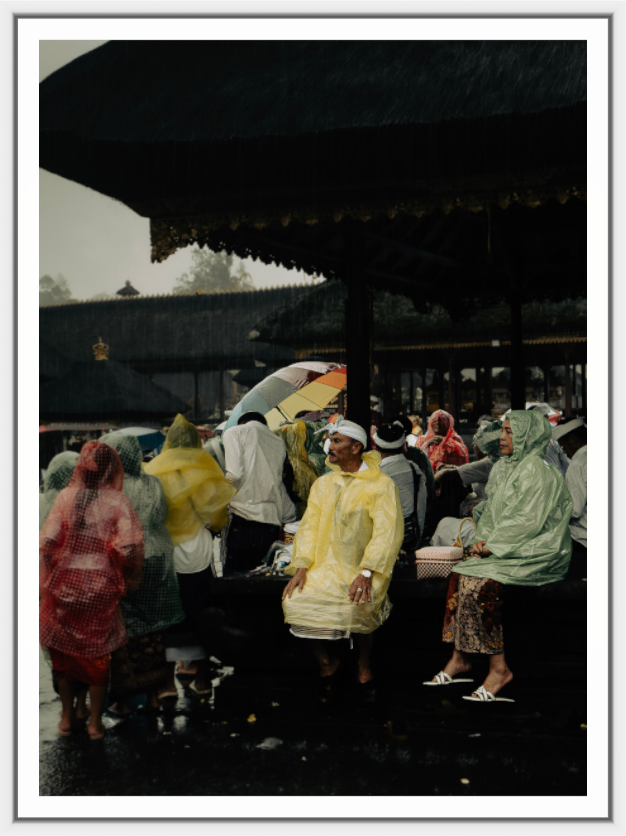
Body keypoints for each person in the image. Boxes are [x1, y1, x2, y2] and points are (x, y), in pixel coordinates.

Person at [426, 411, 572, 702]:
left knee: (481, 584)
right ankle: (460, 658)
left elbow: (526, 522)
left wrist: (491, 546)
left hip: (537, 549)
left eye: (509, 432)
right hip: (507, 547)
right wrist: (482, 540)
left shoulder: (537, 470)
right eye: (503, 430)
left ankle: (499, 669)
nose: (502, 438)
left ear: (528, 436)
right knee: (460, 574)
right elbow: (493, 513)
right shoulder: (505, 467)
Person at [282, 416, 404, 705]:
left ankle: (364, 664)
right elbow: (309, 527)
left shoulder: (381, 485)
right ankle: (328, 664)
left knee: (360, 605)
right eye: (330, 441)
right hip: (322, 567)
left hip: (364, 567)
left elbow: (387, 532)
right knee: (295, 601)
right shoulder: (324, 484)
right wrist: (301, 567)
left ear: (356, 447)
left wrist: (367, 572)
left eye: (337, 441)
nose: (330, 446)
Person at [39, 441, 144, 739]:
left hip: (65, 586)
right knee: (97, 656)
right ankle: (95, 723)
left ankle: (68, 717)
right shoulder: (117, 501)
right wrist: (123, 573)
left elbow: (47, 541)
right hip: (100, 587)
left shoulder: (65, 497)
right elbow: (129, 546)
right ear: (111, 468)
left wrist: (50, 576)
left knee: (65, 655)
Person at [145, 414, 236, 694]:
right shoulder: (206, 469)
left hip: (166, 552)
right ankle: (202, 679)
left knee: (168, 615)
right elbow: (217, 518)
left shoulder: (154, 471)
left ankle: (167, 683)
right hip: (198, 551)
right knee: (200, 612)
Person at [102, 433, 186, 713]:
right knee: (156, 631)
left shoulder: (111, 488)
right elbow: (161, 515)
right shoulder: (154, 482)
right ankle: (153, 696)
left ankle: (124, 701)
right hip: (158, 557)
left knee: (124, 630)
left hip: (125, 560)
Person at [223, 411, 297, 574]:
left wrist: (219, 498)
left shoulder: (234, 432)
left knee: (236, 579)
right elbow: (278, 484)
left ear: (241, 424)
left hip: (242, 519)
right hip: (270, 523)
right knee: (263, 579)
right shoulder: (278, 442)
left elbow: (234, 475)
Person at [375, 420, 427, 553]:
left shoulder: (375, 473)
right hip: (411, 539)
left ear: (376, 447)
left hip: (383, 545)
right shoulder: (414, 469)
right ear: (404, 445)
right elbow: (421, 507)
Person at [553, 417, 587, 578]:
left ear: (573, 440)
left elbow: (575, 510)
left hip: (584, 539)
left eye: (563, 445)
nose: (564, 451)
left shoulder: (578, 464)